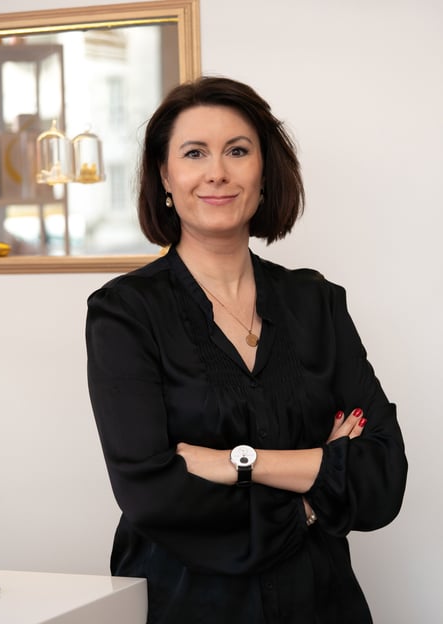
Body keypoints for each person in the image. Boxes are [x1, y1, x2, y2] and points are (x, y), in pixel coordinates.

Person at [86, 76, 407, 624]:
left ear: (264, 173)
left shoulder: (317, 302)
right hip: (188, 605)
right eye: (194, 153)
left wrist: (237, 463)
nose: (217, 172)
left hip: (321, 603)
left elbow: (382, 476)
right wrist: (313, 494)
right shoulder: (124, 313)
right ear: (164, 176)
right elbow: (152, 494)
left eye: (237, 151)